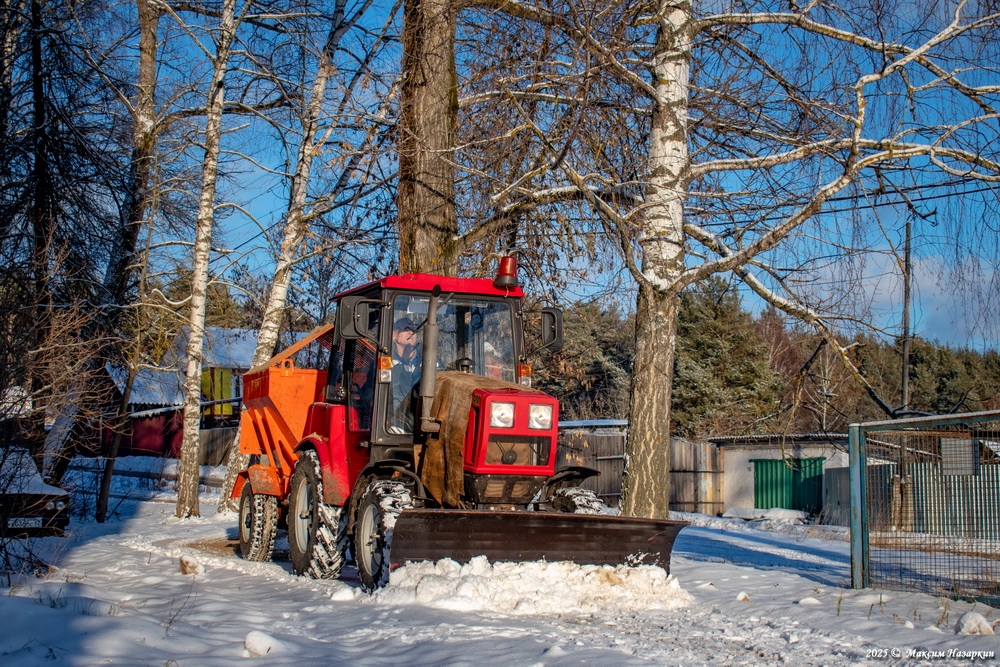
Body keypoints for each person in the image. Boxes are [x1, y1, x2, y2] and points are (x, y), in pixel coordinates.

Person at [390, 316, 422, 432]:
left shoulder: (431, 362)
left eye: (414, 329)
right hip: (393, 425)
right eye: (406, 328)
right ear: (394, 335)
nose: (411, 332)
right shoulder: (385, 363)